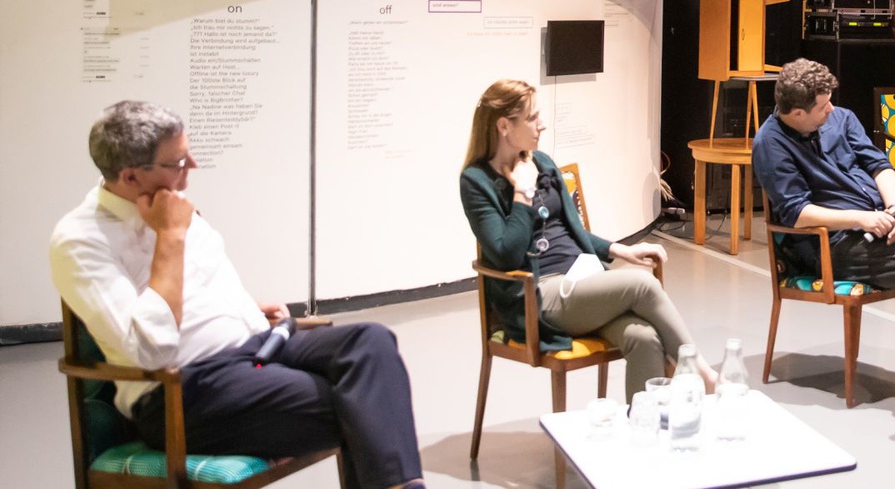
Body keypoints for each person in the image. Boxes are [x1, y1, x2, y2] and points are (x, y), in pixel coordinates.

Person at [48, 101, 425, 489]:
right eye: (178, 162)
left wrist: (245, 312)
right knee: (364, 406)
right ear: (130, 176)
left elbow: (199, 288)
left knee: (370, 341)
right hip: (184, 391)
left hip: (257, 348)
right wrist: (170, 236)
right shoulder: (81, 241)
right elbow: (152, 349)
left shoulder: (172, 204)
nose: (192, 167)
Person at [751, 58, 895, 420]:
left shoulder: (841, 118)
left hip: (880, 218)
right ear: (796, 113)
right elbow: (797, 213)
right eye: (822, 106)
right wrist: (862, 219)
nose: (831, 109)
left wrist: (892, 210)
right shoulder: (770, 143)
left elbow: (880, 167)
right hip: (835, 245)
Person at [460, 78, 716, 400]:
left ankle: (643, 424)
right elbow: (505, 254)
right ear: (503, 126)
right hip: (538, 293)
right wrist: (523, 192)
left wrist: (620, 250)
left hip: (583, 281)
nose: (542, 124)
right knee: (642, 283)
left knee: (644, 337)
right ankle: (700, 373)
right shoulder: (476, 181)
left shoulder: (542, 163)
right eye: (532, 117)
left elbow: (574, 230)